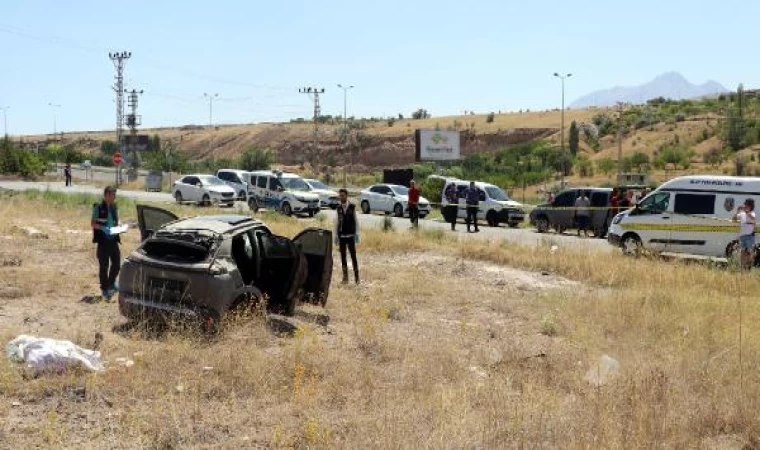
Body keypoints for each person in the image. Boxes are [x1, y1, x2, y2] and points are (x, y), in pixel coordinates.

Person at [91, 186, 121, 300]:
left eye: (115, 194)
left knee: (117, 264)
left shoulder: (114, 207)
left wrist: (120, 225)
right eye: (113, 194)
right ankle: (104, 289)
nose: (114, 197)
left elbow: (117, 219)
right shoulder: (98, 207)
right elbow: (93, 223)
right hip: (103, 241)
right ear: (107, 195)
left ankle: (111, 284)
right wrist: (103, 228)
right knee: (104, 266)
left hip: (113, 240)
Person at [334, 188, 360, 284]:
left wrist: (357, 234)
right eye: (340, 196)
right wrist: (335, 236)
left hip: (350, 236)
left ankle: (357, 278)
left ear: (346, 196)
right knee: (343, 257)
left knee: (353, 257)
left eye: (343, 195)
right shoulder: (338, 208)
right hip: (342, 237)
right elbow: (336, 223)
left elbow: (356, 221)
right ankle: (345, 278)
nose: (341, 197)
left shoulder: (352, 207)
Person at [733, 198, 756, 271]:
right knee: (743, 252)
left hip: (749, 236)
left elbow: (753, 218)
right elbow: (734, 219)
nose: (745, 205)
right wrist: (737, 211)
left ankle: (749, 267)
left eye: (747, 205)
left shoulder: (752, 213)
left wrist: (746, 211)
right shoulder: (742, 213)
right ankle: (742, 267)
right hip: (742, 236)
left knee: (750, 252)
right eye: (745, 204)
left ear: (750, 206)